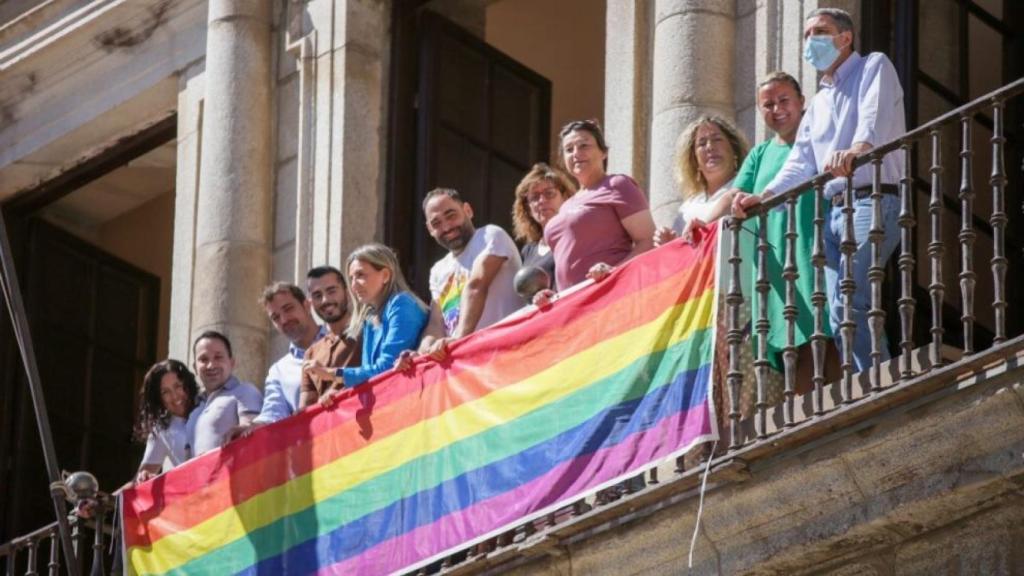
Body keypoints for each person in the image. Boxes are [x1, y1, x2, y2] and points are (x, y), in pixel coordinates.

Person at [734, 7, 905, 373]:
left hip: (872, 199)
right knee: (838, 313)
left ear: (846, 38)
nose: (811, 40)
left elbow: (874, 118)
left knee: (849, 301)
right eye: (806, 34)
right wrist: (766, 197)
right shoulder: (819, 102)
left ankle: (877, 380)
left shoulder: (873, 66)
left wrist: (858, 149)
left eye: (820, 32)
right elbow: (800, 163)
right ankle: (866, 382)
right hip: (835, 213)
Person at [538, 119, 656, 300]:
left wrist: (614, 271)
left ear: (604, 152)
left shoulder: (617, 185)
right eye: (569, 149)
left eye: (584, 145)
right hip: (571, 305)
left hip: (609, 298)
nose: (576, 153)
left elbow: (648, 241)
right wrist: (551, 294)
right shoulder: (566, 205)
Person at [413, 188, 523, 362]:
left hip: (505, 355)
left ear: (468, 211)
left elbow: (476, 285)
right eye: (436, 223)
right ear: (429, 229)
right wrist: (420, 355)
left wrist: (459, 339)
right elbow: (436, 324)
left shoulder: (490, 235)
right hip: (466, 366)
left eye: (451, 215)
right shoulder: (437, 270)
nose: (446, 227)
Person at [305, 244, 428, 398]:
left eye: (360, 275)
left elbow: (388, 367)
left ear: (385, 275)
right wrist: (342, 394)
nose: (354, 285)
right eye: (351, 278)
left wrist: (332, 373)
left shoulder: (402, 303)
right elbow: (370, 373)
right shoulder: (369, 318)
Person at [186, 331, 263, 457]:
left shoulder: (245, 392)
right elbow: (187, 460)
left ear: (232, 362)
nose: (211, 365)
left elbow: (252, 438)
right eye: (203, 359)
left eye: (218, 357)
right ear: (195, 367)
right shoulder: (195, 410)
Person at [299, 266, 361, 409]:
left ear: (347, 293)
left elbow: (380, 372)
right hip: (331, 423)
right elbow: (304, 411)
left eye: (332, 291)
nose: (325, 300)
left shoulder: (369, 331)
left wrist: (343, 393)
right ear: (310, 302)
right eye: (317, 295)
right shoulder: (310, 354)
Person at [511, 163, 577, 291]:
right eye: (534, 197)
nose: (541, 200)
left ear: (565, 197)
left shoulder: (577, 237)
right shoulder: (528, 251)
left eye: (549, 193)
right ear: (528, 208)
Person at [133, 359, 199, 483]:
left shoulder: (208, 404)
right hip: (196, 493)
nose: (175, 396)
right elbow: (139, 481)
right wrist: (144, 476)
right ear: (158, 398)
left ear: (187, 383)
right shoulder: (162, 429)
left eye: (178, 386)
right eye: (165, 392)